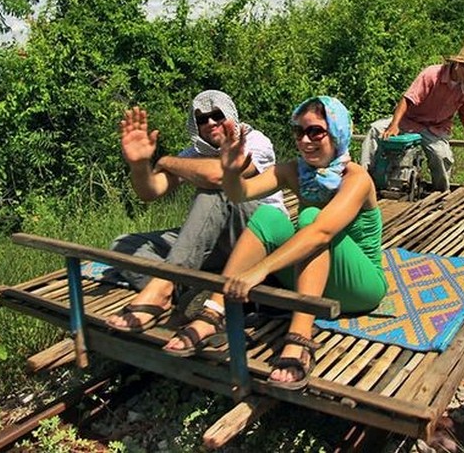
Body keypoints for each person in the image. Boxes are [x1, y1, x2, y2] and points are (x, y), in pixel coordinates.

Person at [164, 96, 386, 391]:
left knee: (309, 217)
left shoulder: (356, 178)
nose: (305, 141)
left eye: (315, 131)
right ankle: (213, 311)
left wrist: (261, 269)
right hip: (312, 281)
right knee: (269, 215)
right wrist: (230, 170)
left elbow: (320, 232)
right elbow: (240, 193)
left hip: (360, 288)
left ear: (338, 132)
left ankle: (300, 336)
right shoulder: (294, 170)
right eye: (299, 132)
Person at [105, 90, 285, 332]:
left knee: (217, 189)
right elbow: (150, 191)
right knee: (124, 246)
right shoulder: (193, 154)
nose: (210, 123)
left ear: (230, 115)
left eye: (217, 115)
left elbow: (218, 176)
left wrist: (166, 160)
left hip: (258, 234)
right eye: (202, 119)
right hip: (218, 240)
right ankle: (193, 294)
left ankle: (167, 284)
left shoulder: (253, 141)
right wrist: (139, 166)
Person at [359, 40, 464, 192]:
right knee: (375, 129)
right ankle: (363, 181)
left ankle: (441, 192)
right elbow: (407, 99)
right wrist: (394, 124)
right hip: (410, 120)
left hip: (435, 128)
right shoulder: (432, 74)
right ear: (459, 64)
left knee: (441, 155)